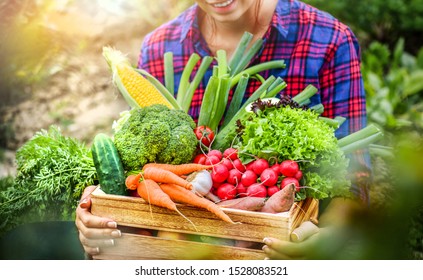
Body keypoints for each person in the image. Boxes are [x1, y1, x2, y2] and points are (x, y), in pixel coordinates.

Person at [76, 0, 370, 259]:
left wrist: (332, 236)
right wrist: (100, 212)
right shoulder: (160, 46)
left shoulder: (329, 40)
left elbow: (353, 180)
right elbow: (138, 170)